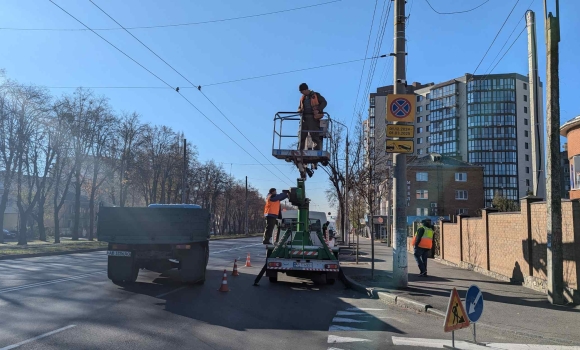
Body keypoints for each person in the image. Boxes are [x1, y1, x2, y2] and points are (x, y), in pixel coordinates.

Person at [297, 83, 327, 159]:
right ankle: (300, 152)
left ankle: (317, 152)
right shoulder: (302, 98)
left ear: (305, 89)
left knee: (314, 136)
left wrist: (319, 109)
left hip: (313, 118)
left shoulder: (315, 95)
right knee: (302, 136)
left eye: (302, 91)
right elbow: (299, 107)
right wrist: (299, 111)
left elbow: (324, 102)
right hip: (304, 119)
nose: (301, 93)